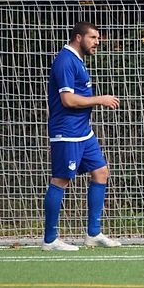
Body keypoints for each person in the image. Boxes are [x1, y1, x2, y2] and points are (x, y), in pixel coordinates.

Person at [42, 22, 122, 251]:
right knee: (61, 180)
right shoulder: (65, 61)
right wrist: (100, 99)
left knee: (101, 172)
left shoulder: (77, 60)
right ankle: (50, 240)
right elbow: (67, 100)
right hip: (67, 132)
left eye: (98, 38)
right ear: (78, 37)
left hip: (83, 132)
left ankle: (93, 234)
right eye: (93, 37)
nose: (97, 42)